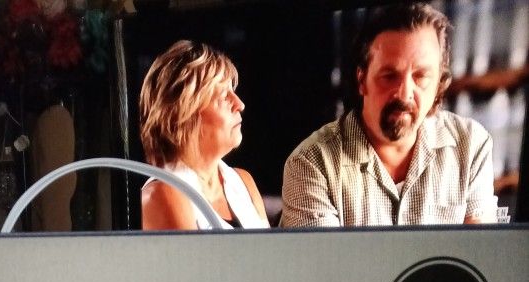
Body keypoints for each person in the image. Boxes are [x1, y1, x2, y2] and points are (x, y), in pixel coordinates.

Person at [281, 3, 495, 227]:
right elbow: (323, 254)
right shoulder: (313, 163)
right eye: (389, 76)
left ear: (439, 84)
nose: (404, 93)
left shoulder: (470, 146)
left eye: (421, 76)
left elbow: (478, 247)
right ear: (362, 80)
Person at [139, 39, 270, 230]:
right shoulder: (163, 194)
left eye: (233, 91)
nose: (240, 104)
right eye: (223, 96)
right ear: (185, 112)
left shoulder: (244, 181)